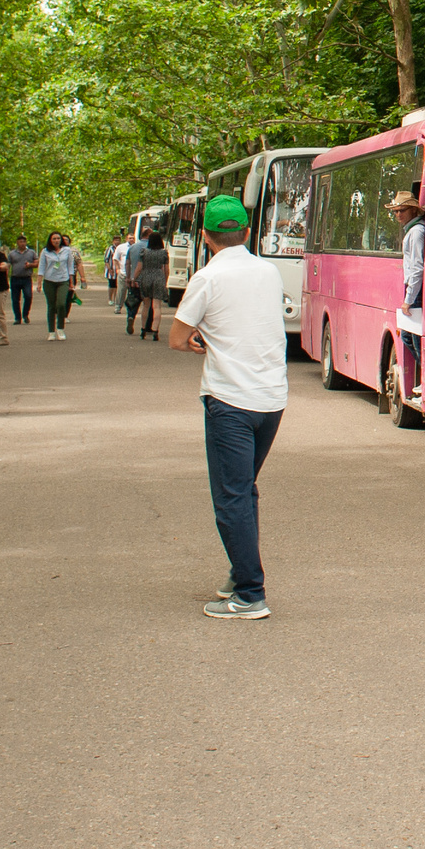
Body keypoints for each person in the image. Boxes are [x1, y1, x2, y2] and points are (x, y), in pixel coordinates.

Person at [171, 195, 287, 620]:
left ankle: (251, 594)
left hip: (230, 402)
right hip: (272, 399)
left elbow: (177, 338)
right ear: (247, 232)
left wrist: (202, 339)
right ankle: (240, 574)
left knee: (231, 496)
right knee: (245, 490)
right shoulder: (269, 271)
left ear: (204, 235)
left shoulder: (207, 277)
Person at [386, 190, 425, 412]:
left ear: (413, 209)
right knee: (409, 336)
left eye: (401, 210)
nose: (397, 215)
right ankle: (424, 379)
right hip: (413, 291)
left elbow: (417, 268)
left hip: (416, 291)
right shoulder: (413, 231)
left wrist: (409, 298)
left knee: (413, 337)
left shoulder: (416, 232)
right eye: (395, 211)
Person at [129, 225, 168, 341]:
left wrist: (134, 279)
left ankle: (143, 329)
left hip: (146, 277)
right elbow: (166, 269)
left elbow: (139, 268)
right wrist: (165, 280)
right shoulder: (164, 253)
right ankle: (155, 330)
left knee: (146, 305)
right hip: (158, 277)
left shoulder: (144, 252)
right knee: (156, 306)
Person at [38, 232, 79, 339]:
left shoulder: (67, 250)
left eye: (58, 238)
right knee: (51, 306)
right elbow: (41, 267)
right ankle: (51, 331)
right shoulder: (45, 251)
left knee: (61, 304)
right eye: (54, 239)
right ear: (50, 240)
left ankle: (60, 329)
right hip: (49, 281)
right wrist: (38, 283)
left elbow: (70, 266)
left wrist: (71, 282)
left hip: (63, 280)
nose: (56, 240)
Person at [7, 236, 39, 326]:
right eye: (20, 242)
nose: (22, 243)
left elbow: (37, 264)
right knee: (15, 299)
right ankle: (17, 317)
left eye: (24, 242)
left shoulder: (31, 252)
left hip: (26, 278)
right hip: (15, 278)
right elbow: (8, 265)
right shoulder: (12, 253)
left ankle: (25, 314)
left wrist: (30, 265)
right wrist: (6, 277)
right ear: (17, 243)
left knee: (28, 296)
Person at [106, 237, 125, 309]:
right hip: (111, 269)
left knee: (118, 285)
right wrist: (109, 269)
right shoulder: (110, 249)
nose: (117, 241)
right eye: (116, 240)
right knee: (112, 285)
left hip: (120, 270)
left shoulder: (121, 248)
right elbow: (106, 260)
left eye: (119, 240)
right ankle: (110, 299)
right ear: (113, 241)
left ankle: (116, 299)